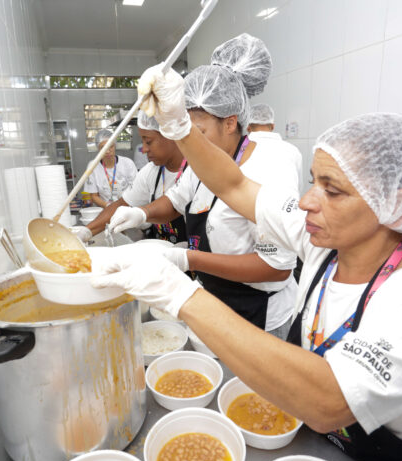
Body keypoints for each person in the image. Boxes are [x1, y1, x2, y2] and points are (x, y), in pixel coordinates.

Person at [93, 60, 402, 461]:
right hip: (323, 443)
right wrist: (180, 128)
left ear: (397, 203)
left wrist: (179, 290)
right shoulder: (325, 240)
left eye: (333, 191)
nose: (308, 200)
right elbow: (234, 183)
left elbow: (330, 401)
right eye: (314, 181)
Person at [107, 34, 298, 339]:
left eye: (197, 132)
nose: (189, 145)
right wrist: (141, 215)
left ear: (230, 122)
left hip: (260, 315)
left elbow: (276, 267)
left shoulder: (268, 167)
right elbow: (174, 201)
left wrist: (188, 258)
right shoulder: (201, 163)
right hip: (214, 301)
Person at [73, 111, 188, 244]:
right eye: (142, 141)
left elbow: (174, 206)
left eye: (148, 142)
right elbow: (122, 203)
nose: (143, 149)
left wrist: (142, 214)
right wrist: (86, 232)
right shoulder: (150, 172)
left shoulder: (195, 172)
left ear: (170, 136)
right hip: (161, 249)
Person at [248, 103, 303, 195]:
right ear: (273, 126)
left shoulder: (240, 149)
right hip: (285, 206)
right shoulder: (293, 151)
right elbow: (298, 187)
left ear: (248, 127)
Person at [84, 129, 137, 208]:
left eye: (111, 146)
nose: (108, 151)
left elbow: (136, 189)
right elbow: (94, 196)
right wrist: (109, 206)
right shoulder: (93, 166)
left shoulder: (127, 163)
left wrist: (124, 206)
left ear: (115, 146)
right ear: (98, 149)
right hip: (105, 209)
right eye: (103, 147)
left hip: (127, 208)